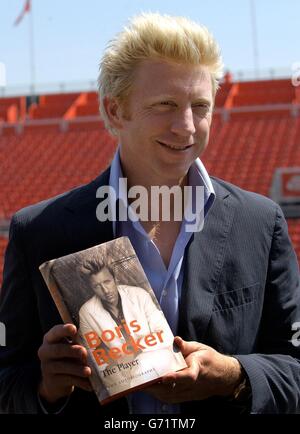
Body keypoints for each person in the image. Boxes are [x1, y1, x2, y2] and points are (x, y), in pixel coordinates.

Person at [0, 12, 299, 415]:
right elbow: (7, 382)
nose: (187, 126)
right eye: (165, 105)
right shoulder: (38, 231)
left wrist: (234, 376)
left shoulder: (260, 223)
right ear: (115, 111)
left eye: (200, 106)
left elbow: (294, 368)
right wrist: (45, 386)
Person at [78, 263, 183, 400]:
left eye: (107, 282)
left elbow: (163, 333)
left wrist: (135, 350)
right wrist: (113, 364)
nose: (105, 290)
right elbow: (92, 354)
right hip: (119, 370)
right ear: (91, 288)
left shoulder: (139, 295)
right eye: (97, 286)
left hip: (153, 356)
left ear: (115, 279)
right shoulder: (86, 311)